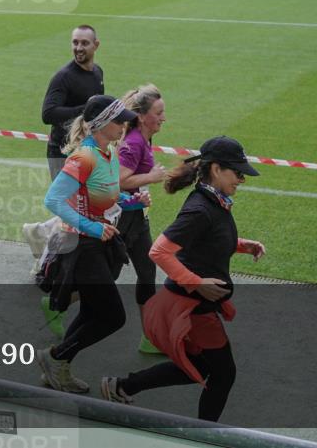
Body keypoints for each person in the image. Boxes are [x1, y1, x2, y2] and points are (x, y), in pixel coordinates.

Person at [99, 136, 266, 423]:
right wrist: (196, 282)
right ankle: (203, 435)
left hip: (195, 303)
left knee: (199, 367)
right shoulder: (200, 208)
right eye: (237, 172)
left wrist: (241, 244)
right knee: (224, 374)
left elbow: (206, 240)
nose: (241, 179)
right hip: (194, 308)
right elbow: (159, 251)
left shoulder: (214, 201)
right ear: (216, 169)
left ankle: (121, 386)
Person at [36, 95, 148, 393]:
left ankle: (58, 366)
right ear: (100, 124)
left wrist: (132, 201)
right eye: (120, 119)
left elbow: (105, 195)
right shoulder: (84, 157)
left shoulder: (107, 153)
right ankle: (55, 357)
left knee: (91, 312)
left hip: (97, 244)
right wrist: (91, 227)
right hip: (82, 247)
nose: (125, 124)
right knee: (112, 316)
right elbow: (53, 199)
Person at [24, 25, 105, 272]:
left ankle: (38, 232)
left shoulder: (97, 73)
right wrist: (86, 108)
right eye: (75, 42)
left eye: (84, 43)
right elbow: (48, 114)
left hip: (84, 152)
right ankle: (45, 265)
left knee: (78, 207)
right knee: (69, 209)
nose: (78, 48)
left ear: (96, 45)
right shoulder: (64, 77)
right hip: (61, 152)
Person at [118, 84, 168, 354]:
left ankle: (149, 337)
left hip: (138, 216)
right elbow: (119, 181)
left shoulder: (145, 138)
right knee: (106, 277)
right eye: (158, 113)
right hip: (124, 219)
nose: (163, 118)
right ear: (142, 116)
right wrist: (150, 178)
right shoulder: (134, 143)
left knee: (147, 272)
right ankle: (57, 303)